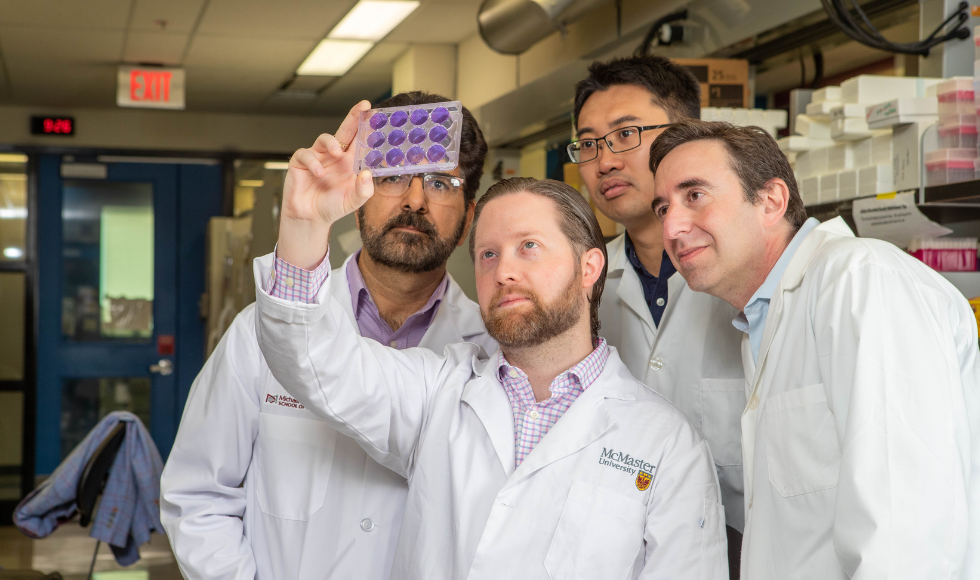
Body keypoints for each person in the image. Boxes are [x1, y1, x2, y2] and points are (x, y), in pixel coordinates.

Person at [251, 101, 729, 579]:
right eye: (487, 254)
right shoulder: (436, 392)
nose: (504, 271)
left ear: (590, 267)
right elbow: (311, 357)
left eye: (529, 247)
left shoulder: (667, 445)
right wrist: (304, 224)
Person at [159, 92, 496, 580]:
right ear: (356, 200)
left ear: (467, 221)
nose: (415, 199)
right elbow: (198, 497)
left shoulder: (491, 354)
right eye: (392, 175)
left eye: (442, 182)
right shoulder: (258, 335)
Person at [649, 119, 980, 579]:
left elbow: (908, 524)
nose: (672, 226)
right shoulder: (763, 319)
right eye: (662, 207)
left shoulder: (863, 280)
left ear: (771, 200)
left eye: (694, 195)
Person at [571, 54, 746, 561]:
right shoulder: (586, 285)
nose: (604, 161)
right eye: (588, 144)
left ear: (685, 134)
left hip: (749, 547)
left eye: (626, 134)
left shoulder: (746, 275)